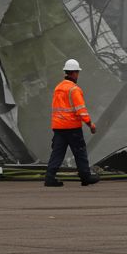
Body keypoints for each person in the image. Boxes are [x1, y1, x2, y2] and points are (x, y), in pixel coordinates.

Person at [44, 59, 98, 187]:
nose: (78, 75)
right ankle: (85, 177)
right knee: (80, 152)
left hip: (58, 128)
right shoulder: (74, 89)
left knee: (57, 153)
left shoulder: (58, 88)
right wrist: (90, 124)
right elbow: (81, 110)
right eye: (77, 72)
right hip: (72, 127)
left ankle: (49, 178)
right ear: (74, 73)